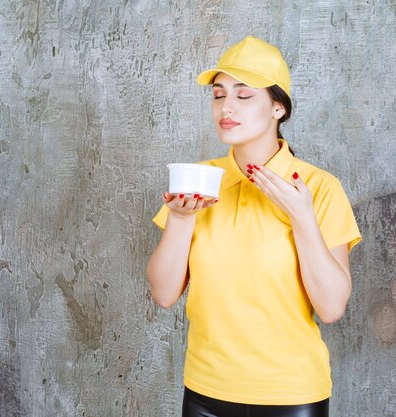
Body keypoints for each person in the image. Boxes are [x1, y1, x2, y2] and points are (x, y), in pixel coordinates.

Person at [146, 35, 362, 417]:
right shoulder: (198, 182)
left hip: (292, 396)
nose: (226, 107)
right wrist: (181, 219)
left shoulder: (319, 188)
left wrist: (302, 217)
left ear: (278, 108)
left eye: (244, 96)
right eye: (218, 95)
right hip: (205, 391)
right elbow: (163, 294)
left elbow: (331, 308)